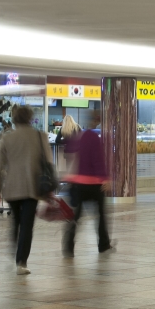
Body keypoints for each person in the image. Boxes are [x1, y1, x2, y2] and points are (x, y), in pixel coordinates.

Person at [0, 105, 52, 275]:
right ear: (30, 118)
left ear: (14, 119)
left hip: (11, 188)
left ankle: (14, 251)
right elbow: (48, 162)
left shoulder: (7, 139)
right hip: (32, 187)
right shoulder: (40, 137)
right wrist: (50, 189)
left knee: (16, 223)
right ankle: (21, 262)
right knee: (27, 225)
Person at [64, 110, 114, 257]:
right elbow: (98, 160)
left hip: (79, 183)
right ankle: (103, 244)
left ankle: (68, 245)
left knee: (75, 216)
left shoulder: (79, 136)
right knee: (101, 215)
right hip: (94, 184)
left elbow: (73, 157)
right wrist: (105, 178)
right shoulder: (94, 138)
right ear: (95, 121)